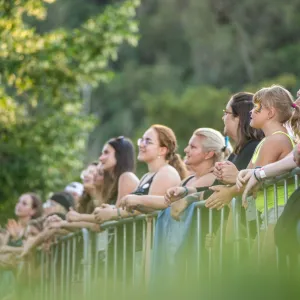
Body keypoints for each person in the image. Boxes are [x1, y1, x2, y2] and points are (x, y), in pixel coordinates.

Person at [205, 85, 299, 264]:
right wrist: (228, 175)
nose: (251, 112)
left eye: (257, 108)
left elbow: (251, 180)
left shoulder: (276, 140)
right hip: (269, 211)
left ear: (270, 113)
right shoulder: (267, 141)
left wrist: (231, 186)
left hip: (278, 209)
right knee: (260, 265)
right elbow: (247, 175)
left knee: (265, 266)